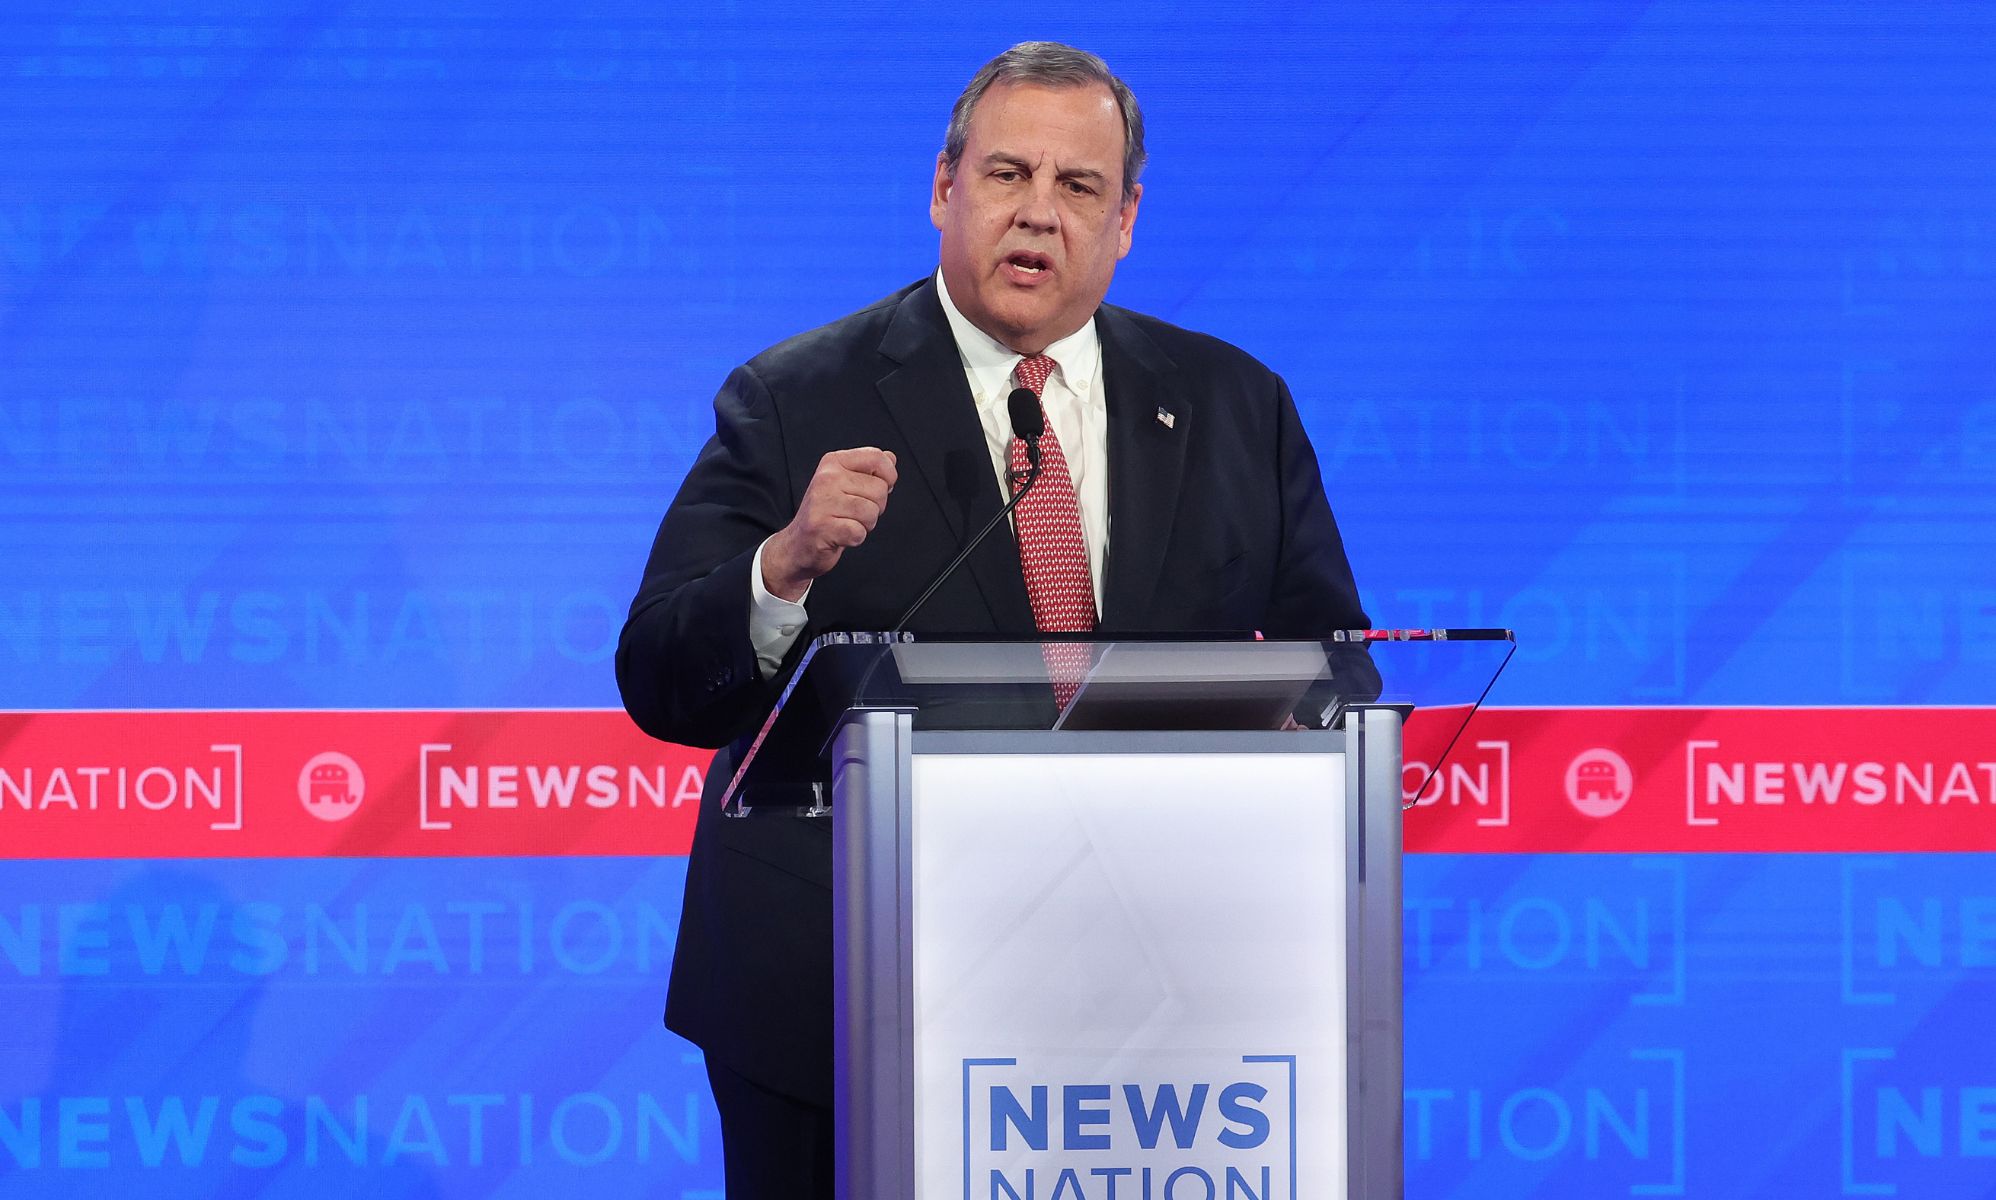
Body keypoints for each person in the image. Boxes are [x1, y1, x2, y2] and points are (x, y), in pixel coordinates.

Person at [616, 40, 1369, 1197]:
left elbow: (1336, 670)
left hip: (1153, 1007)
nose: (1038, 215)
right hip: (841, 996)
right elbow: (662, 679)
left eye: (1079, 188)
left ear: (1124, 221)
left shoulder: (1233, 406)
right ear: (942, 189)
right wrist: (784, 565)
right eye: (1007, 175)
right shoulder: (795, 397)